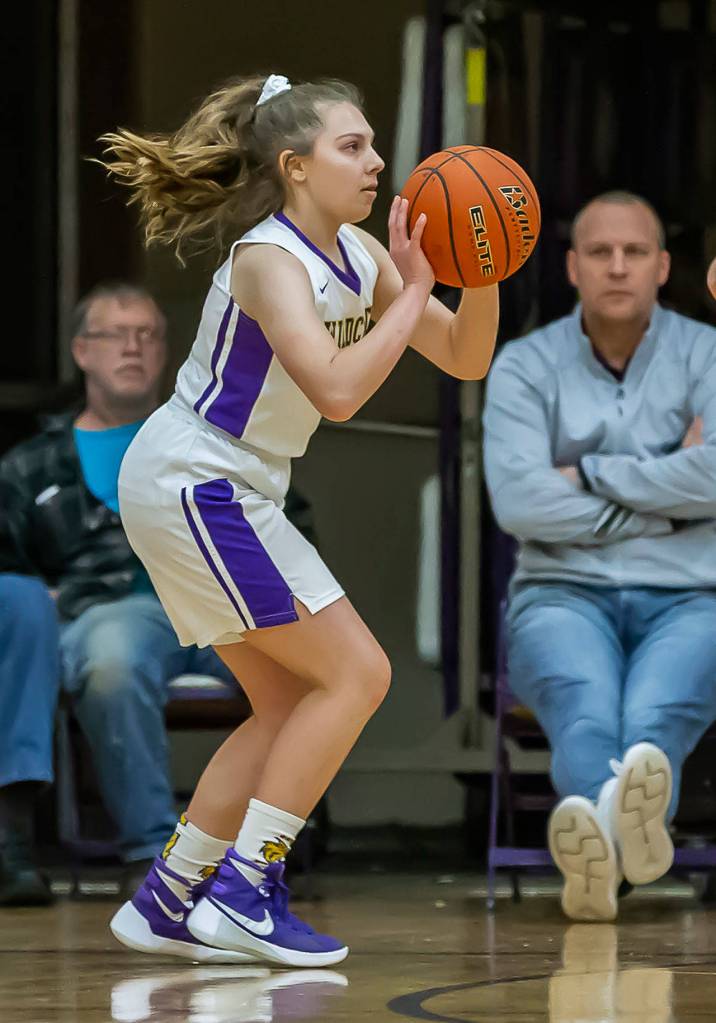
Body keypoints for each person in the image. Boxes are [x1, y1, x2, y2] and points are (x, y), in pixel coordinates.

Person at [99, 72, 500, 965]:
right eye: (351, 146)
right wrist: (414, 287)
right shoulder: (267, 258)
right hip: (197, 479)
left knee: (288, 703)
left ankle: (169, 897)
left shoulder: (361, 253)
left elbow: (466, 357)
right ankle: (244, 892)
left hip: (229, 486)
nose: (376, 161)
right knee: (358, 673)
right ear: (295, 166)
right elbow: (339, 388)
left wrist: (484, 272)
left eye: (372, 144)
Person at [483, 191, 716, 922]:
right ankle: (626, 842)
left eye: (636, 251)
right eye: (601, 252)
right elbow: (519, 504)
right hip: (560, 590)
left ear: (664, 267)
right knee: (587, 712)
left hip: (693, 595)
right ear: (573, 267)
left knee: (654, 717)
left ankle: (599, 856)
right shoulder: (522, 366)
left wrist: (585, 472)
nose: (618, 265)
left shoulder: (709, 354)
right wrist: (665, 500)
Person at [0, 282, 241, 889]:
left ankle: (262, 855)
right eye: (116, 335)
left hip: (223, 606)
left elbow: (293, 526)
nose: (133, 348)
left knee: (327, 669)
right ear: (82, 351)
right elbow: (11, 576)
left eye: (148, 335)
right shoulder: (32, 463)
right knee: (111, 659)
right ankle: (154, 857)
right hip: (111, 612)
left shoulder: (214, 441)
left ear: (166, 352)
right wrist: (48, 598)